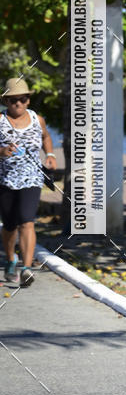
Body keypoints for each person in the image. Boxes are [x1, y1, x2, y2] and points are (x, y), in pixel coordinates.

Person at [0, 78, 56, 287]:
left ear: (28, 100)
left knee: (27, 220)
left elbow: (46, 137)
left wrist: (49, 154)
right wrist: (2, 152)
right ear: (6, 101)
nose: (18, 103)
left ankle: (26, 268)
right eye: (13, 100)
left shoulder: (37, 119)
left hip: (32, 178)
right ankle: (10, 259)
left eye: (23, 99)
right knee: (10, 224)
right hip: (4, 179)